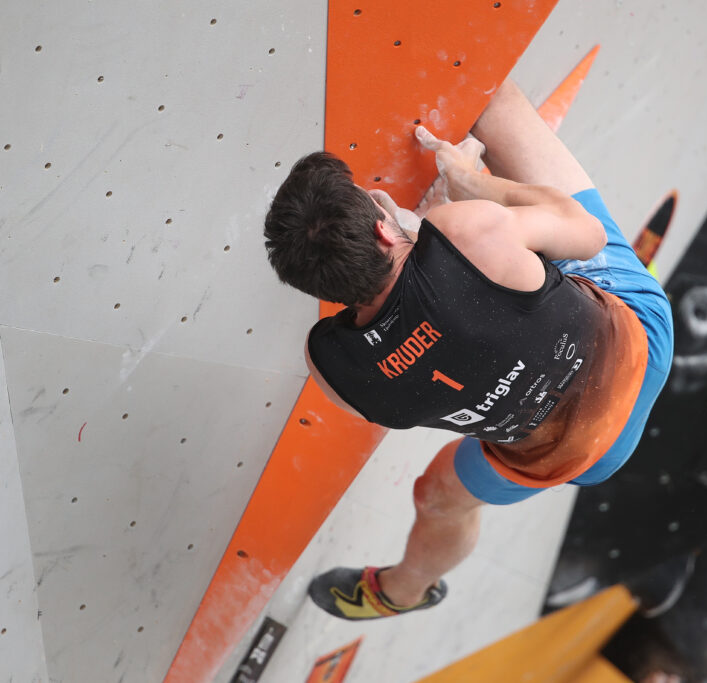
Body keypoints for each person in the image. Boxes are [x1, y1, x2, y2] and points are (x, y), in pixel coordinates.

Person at [263, 79, 673, 620]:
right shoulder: (467, 233)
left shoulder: (337, 369)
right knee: (490, 97)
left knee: (438, 499)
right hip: (638, 348)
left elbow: (429, 334)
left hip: (569, 457)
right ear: (384, 229)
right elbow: (587, 234)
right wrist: (472, 184)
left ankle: (401, 592)